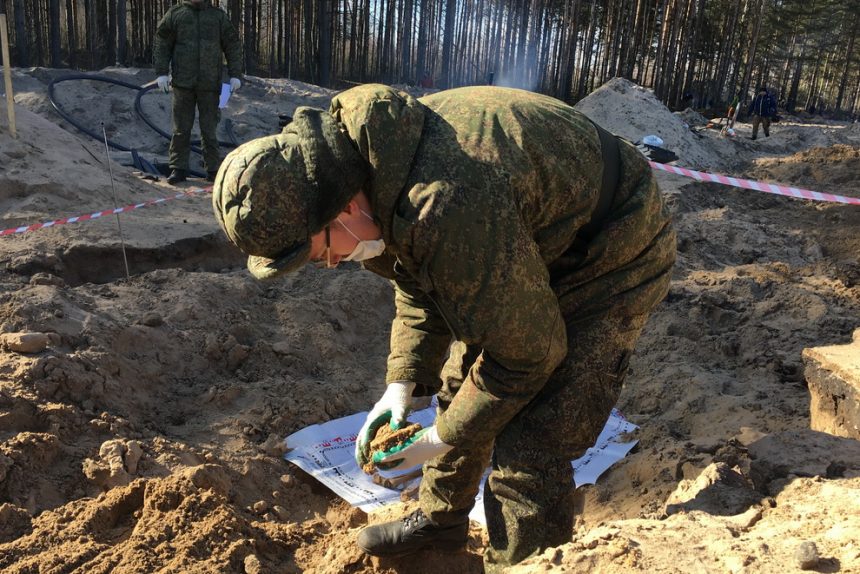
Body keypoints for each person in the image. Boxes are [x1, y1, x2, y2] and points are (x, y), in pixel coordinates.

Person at [211, 84, 676, 571]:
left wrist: (441, 438)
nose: (328, 263)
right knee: (464, 387)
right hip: (528, 231)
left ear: (343, 209)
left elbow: (528, 355)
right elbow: (419, 283)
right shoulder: (367, 168)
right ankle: (441, 521)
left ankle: (522, 564)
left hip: (613, 246)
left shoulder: (443, 202)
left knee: (533, 441)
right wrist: (402, 385)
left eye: (318, 251)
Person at [153, 0, 243, 185]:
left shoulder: (218, 17)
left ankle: (213, 170)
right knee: (181, 129)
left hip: (210, 85)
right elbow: (162, 42)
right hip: (182, 83)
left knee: (209, 130)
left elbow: (232, 44)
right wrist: (161, 73)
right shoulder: (176, 14)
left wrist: (235, 75)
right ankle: (178, 168)